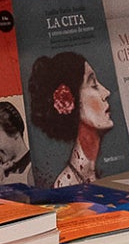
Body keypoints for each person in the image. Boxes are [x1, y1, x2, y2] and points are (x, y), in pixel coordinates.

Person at [26, 52, 117, 187]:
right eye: (93, 85)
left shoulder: (100, 172)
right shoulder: (65, 185)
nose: (106, 92)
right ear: (68, 100)